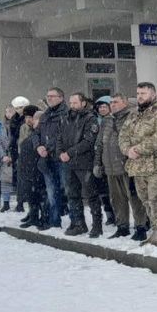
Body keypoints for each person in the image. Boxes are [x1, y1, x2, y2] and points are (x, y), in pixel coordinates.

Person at [118, 83, 157, 247]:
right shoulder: (134, 114)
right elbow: (123, 135)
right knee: (145, 200)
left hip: (156, 166)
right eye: (138, 93)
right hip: (137, 166)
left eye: (143, 93)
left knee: (155, 198)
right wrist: (127, 150)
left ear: (153, 94)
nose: (140, 96)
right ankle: (156, 229)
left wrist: (138, 149)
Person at [94, 93, 146, 240]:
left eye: (116, 102)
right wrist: (98, 163)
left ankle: (140, 226)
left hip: (128, 166)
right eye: (111, 102)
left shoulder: (133, 118)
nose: (113, 105)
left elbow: (138, 142)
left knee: (135, 199)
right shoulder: (107, 120)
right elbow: (99, 144)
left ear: (124, 102)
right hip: (110, 167)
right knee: (117, 199)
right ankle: (122, 226)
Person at [55, 93, 101, 236]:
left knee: (91, 195)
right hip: (68, 164)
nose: (72, 105)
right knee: (72, 195)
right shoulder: (66, 118)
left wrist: (70, 152)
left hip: (84, 163)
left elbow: (88, 141)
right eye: (71, 102)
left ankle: (97, 225)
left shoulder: (90, 118)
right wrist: (60, 152)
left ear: (83, 103)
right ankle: (78, 223)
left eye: (75, 103)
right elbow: (59, 138)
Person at [36, 88, 68, 226]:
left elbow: (63, 136)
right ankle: (54, 221)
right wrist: (38, 146)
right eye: (48, 96)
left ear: (61, 98)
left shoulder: (66, 114)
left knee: (66, 189)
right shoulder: (45, 115)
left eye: (52, 96)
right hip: (46, 159)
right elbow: (36, 134)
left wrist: (48, 148)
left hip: (61, 159)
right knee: (51, 191)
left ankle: (76, 221)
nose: (49, 98)